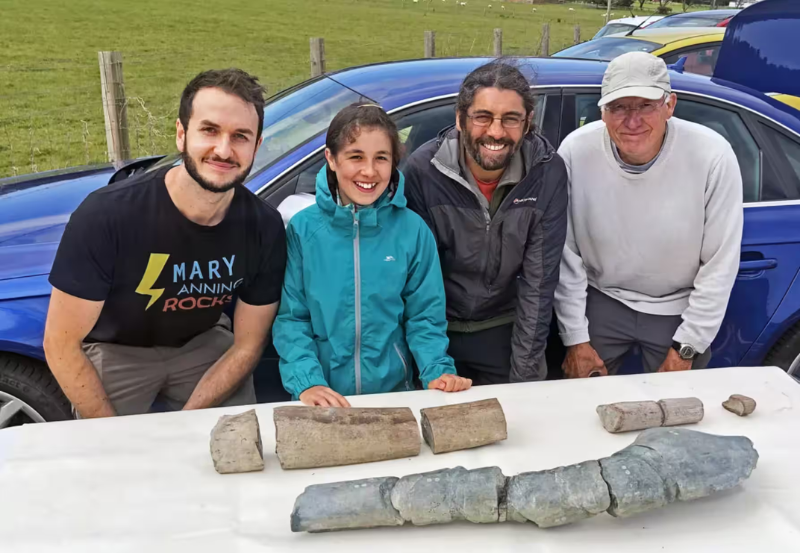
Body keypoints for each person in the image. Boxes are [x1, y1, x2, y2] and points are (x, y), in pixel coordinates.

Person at [43, 68, 287, 418]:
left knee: (235, 440)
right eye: (209, 130)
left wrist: (186, 424)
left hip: (203, 341)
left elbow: (248, 345)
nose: (223, 149)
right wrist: (109, 435)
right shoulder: (107, 214)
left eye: (240, 136)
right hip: (116, 348)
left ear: (256, 146)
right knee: (105, 449)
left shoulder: (264, 226)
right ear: (181, 134)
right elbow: (61, 344)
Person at [554, 52, 743, 378]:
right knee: (580, 398)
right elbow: (564, 253)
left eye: (645, 106)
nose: (632, 121)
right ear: (602, 112)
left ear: (670, 105)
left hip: (678, 304)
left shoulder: (712, 155)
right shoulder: (575, 151)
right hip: (601, 297)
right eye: (619, 107)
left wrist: (688, 345)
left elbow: (719, 264)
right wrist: (575, 339)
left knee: (679, 403)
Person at [273, 103, 472, 407]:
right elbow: (292, 319)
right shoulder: (303, 230)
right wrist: (307, 382)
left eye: (381, 158)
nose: (369, 171)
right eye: (356, 157)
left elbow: (425, 317)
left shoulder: (413, 231)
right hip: (321, 400)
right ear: (331, 159)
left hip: (394, 398)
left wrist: (437, 371)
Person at [403, 60, 569, 385]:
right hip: (434, 333)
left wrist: (523, 381)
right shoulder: (424, 171)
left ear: (528, 122)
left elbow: (538, 284)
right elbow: (417, 282)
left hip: (505, 330)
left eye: (511, 119)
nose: (496, 131)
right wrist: (432, 364)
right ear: (460, 119)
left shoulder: (547, 173)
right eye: (483, 117)